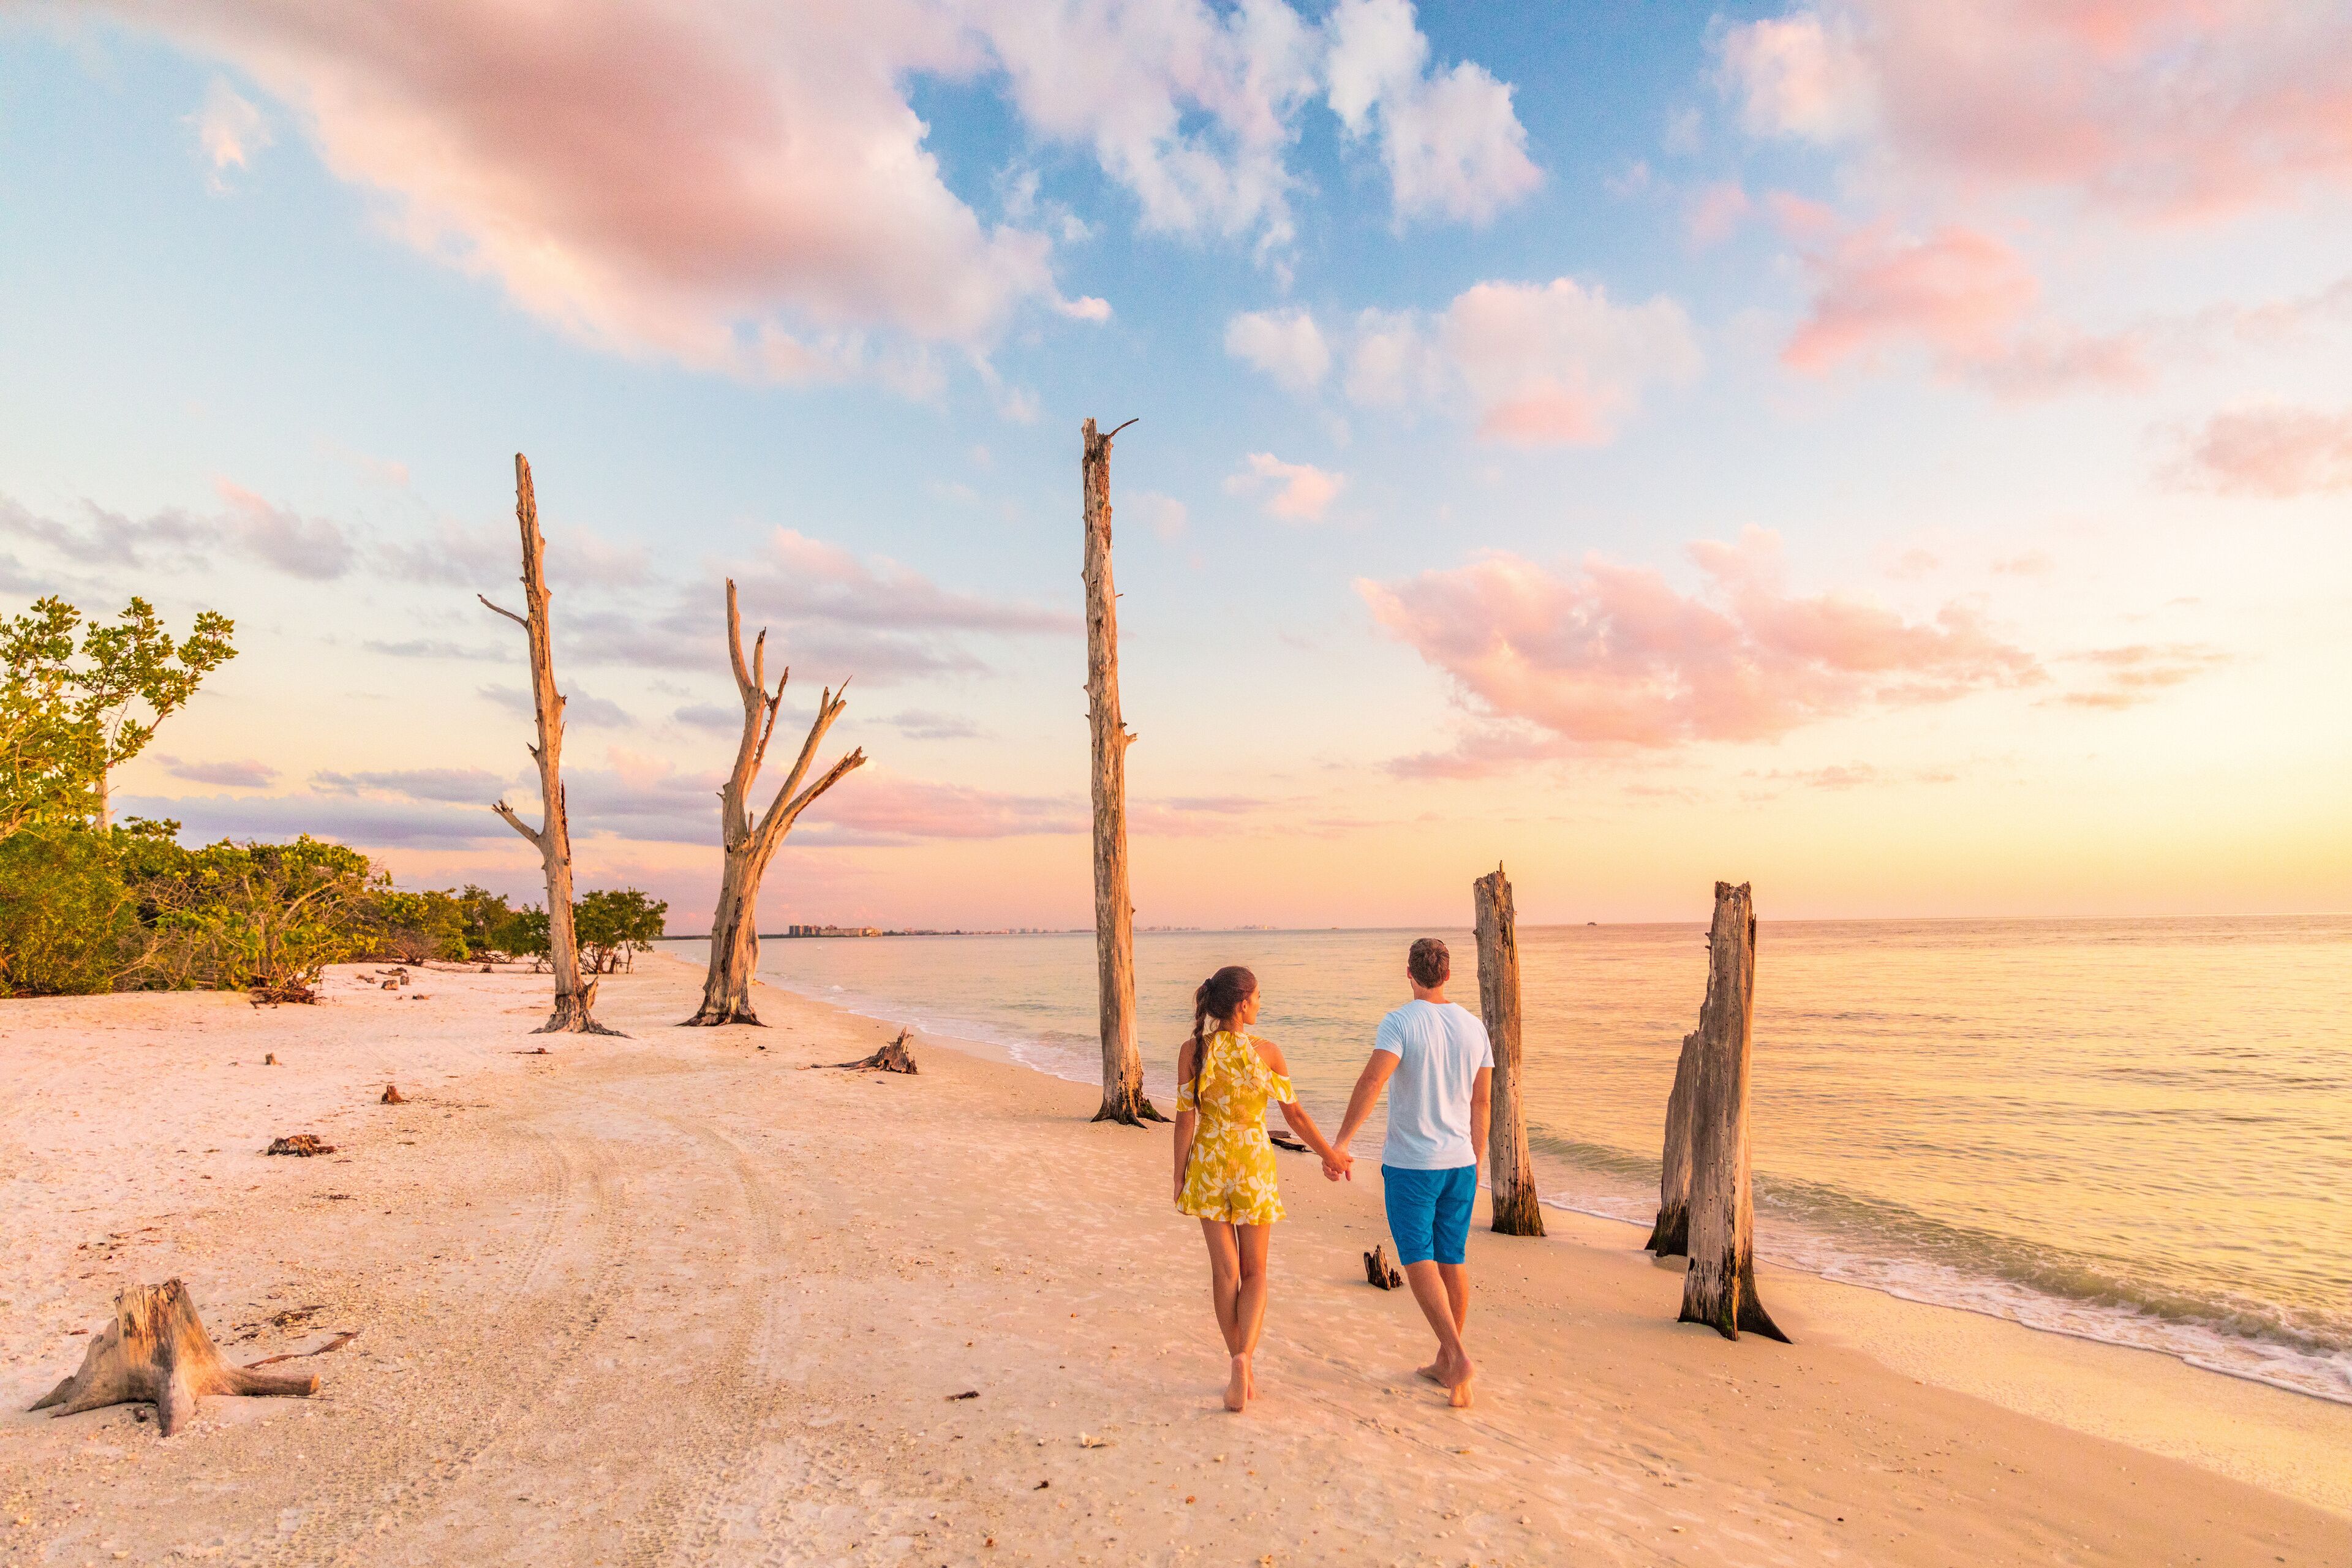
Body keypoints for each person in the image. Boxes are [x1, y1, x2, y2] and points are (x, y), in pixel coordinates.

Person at [1172, 964, 1352, 1412]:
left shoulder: (1193, 1050)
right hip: (1253, 1162)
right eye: (1257, 997)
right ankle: (1244, 1361)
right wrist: (1330, 1155)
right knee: (1256, 1274)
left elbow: (1184, 1117)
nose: (1260, 1004)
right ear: (1241, 1004)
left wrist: (1178, 1174)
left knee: (1225, 1274)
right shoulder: (1267, 1052)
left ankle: (1237, 1363)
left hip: (1209, 1162)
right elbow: (1294, 1117)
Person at [1332, 937, 1490, 1408]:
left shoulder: (1400, 1021)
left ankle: (1457, 1357)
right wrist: (1475, 1160)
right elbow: (1482, 1102)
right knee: (1452, 1258)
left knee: (1418, 1255)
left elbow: (1373, 1080)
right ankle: (1446, 1360)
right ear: (1447, 975)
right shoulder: (1474, 1026)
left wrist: (1341, 1143)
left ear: (1409, 974)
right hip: (1460, 1162)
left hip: (1412, 1164)